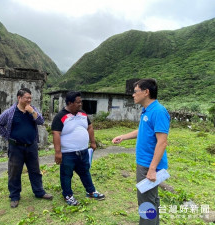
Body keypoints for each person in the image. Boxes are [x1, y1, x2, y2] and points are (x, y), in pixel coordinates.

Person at [112, 79, 170, 225]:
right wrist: (123, 137)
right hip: (145, 163)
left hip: (149, 165)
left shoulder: (158, 111)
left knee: (146, 203)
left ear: (146, 92)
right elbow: (144, 130)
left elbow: (162, 142)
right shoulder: (147, 110)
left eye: (136, 91)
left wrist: (151, 169)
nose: (133, 95)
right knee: (151, 200)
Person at [0, 88, 53, 208]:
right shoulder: (10, 112)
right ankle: (15, 196)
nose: (29, 100)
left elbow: (41, 121)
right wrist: (7, 137)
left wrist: (32, 112)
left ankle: (39, 192)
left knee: (35, 170)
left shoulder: (33, 109)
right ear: (19, 98)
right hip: (16, 147)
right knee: (14, 172)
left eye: (30, 98)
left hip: (31, 146)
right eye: (27, 98)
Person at [51, 91, 105, 206]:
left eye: (81, 102)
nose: (80, 104)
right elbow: (56, 134)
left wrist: (93, 142)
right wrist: (58, 152)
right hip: (68, 153)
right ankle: (68, 195)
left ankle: (91, 191)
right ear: (70, 103)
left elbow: (90, 127)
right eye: (78, 102)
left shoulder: (83, 114)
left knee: (85, 172)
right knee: (66, 175)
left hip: (83, 151)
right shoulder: (60, 116)